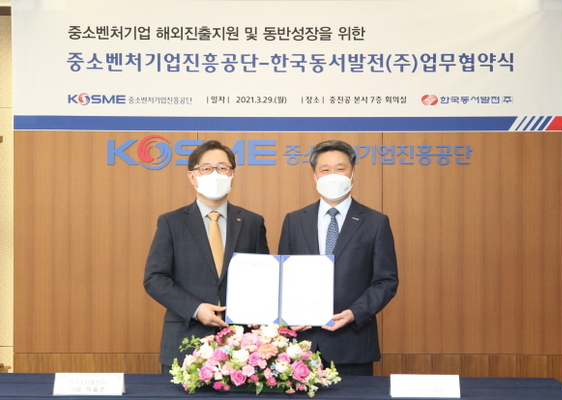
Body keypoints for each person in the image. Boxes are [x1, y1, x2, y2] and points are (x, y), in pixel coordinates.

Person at [144, 140, 270, 374]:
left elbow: (263, 277)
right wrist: (195, 308)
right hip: (185, 339)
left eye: (222, 168)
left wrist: (257, 310)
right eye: (206, 168)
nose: (215, 174)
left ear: (232, 175)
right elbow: (155, 279)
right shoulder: (171, 222)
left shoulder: (252, 222)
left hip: (241, 347)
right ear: (192, 177)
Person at [278, 139, 398, 376]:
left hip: (353, 343)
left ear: (353, 174)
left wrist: (355, 313)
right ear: (314, 176)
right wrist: (288, 316)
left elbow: (386, 281)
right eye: (325, 169)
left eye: (340, 168)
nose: (333, 175)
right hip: (301, 345)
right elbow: (282, 277)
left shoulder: (375, 222)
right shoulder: (295, 220)